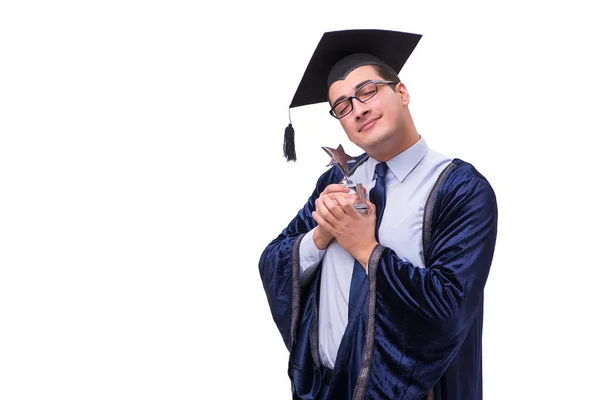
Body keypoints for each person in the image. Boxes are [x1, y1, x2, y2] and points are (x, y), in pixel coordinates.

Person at [259, 29, 498, 400]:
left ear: (401, 92)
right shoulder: (337, 178)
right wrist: (320, 235)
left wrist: (365, 248)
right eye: (342, 106)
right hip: (324, 389)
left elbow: (450, 307)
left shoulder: (460, 188)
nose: (358, 108)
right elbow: (274, 259)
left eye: (367, 90)